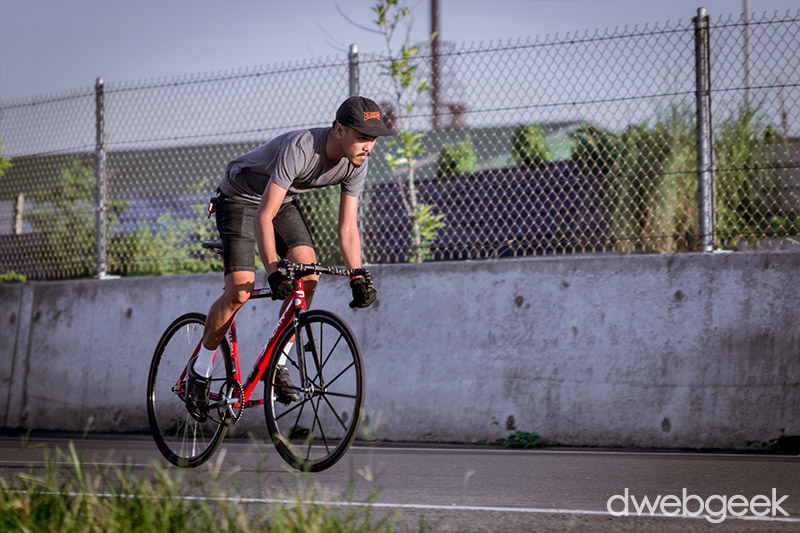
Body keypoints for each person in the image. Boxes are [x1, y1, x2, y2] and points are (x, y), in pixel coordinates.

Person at [185, 96, 392, 421]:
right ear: (339, 130)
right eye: (362, 137)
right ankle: (199, 371)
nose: (369, 146)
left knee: (308, 275)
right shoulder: (302, 148)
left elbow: (348, 227)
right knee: (239, 291)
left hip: (280, 201)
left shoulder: (357, 162)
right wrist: (273, 271)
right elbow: (262, 217)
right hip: (238, 198)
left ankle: (277, 366)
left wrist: (357, 274)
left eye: (373, 138)